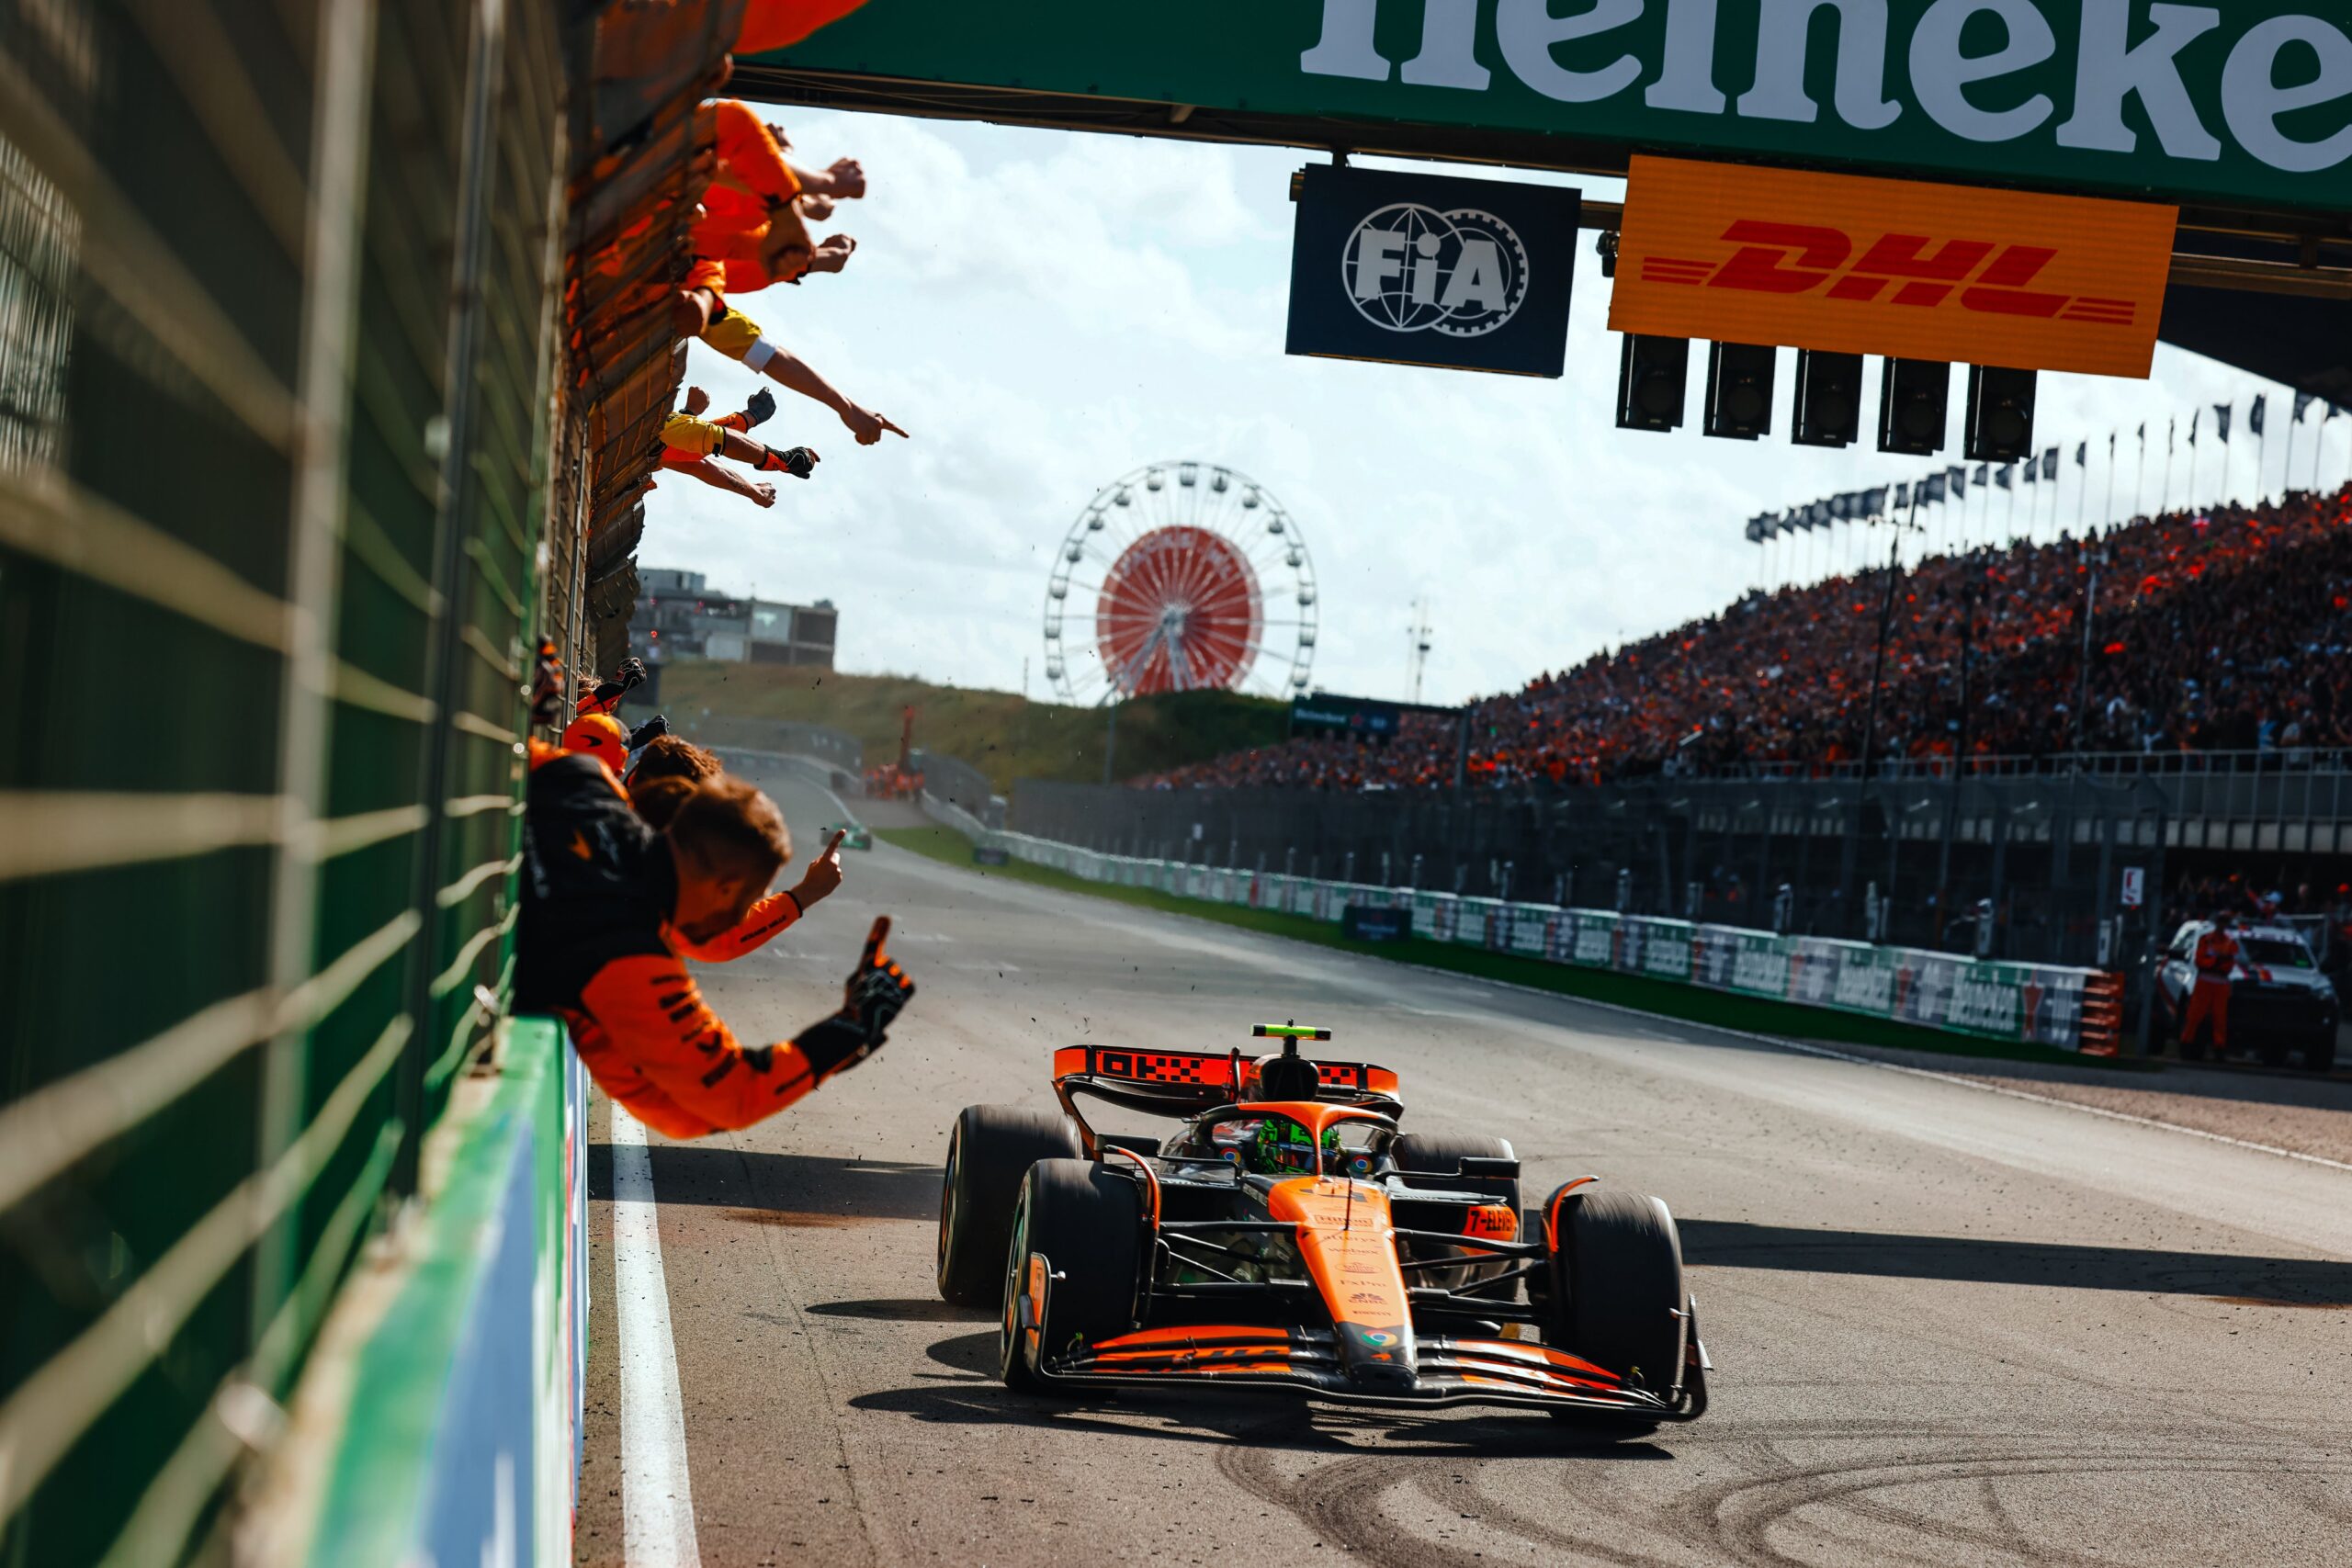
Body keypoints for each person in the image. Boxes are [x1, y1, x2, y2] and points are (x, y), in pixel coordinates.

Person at [516, 749, 909, 1138]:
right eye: (748, 899)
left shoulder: (584, 778)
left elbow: (682, 1110)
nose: (741, 918)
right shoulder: (632, 958)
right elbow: (731, 1096)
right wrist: (851, 1028)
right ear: (725, 888)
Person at [2180, 917, 2241, 1056]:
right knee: (2194, 1016)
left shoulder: (2230, 942)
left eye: (2224, 922)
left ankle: (2219, 1048)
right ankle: (2186, 1044)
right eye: (2220, 921)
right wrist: (2216, 962)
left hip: (2220, 983)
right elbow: (2199, 960)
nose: (2222, 925)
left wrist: (2216, 963)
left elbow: (2229, 964)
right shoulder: (2206, 939)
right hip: (2204, 981)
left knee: (2220, 1019)